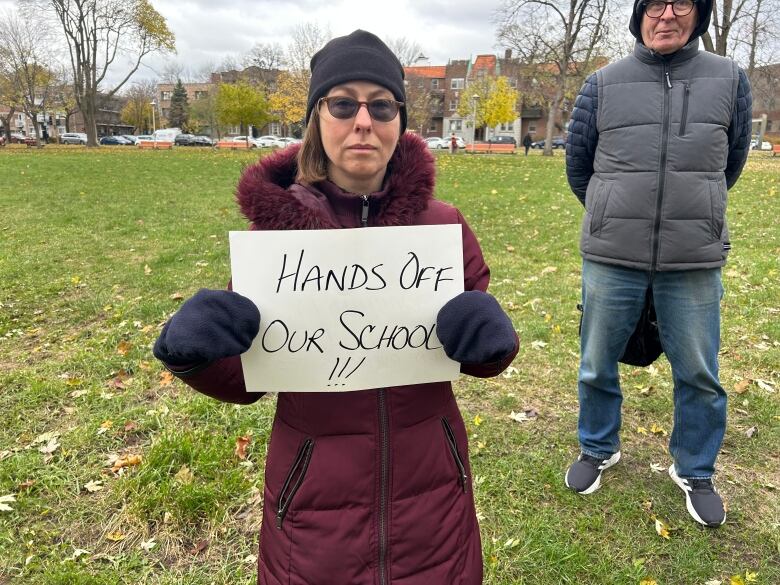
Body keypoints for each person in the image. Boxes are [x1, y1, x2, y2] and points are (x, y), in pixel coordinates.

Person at [153, 30, 518, 584]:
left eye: (382, 105)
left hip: (433, 500)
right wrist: (195, 355)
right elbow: (249, 377)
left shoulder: (444, 229)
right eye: (343, 104)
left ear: (400, 118)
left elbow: (470, 352)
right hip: (312, 509)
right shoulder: (276, 239)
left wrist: (491, 344)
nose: (363, 122)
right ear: (317, 118)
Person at [564, 0, 751, 527]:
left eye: (682, 2)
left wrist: (693, 212)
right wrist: (615, 213)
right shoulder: (601, 83)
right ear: (639, 14)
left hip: (693, 257)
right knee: (597, 361)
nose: (667, 15)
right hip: (612, 253)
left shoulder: (730, 80)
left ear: (699, 14)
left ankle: (694, 468)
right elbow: (580, 165)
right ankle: (597, 447)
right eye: (655, 4)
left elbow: (729, 162)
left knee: (699, 372)